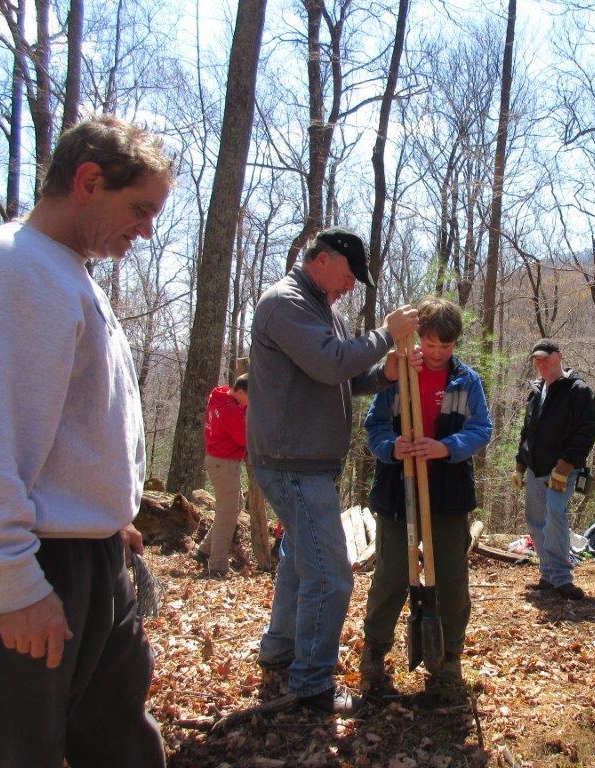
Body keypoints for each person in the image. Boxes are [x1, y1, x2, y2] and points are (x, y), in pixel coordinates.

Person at [0, 116, 173, 768]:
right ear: (88, 181)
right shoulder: (6, 270)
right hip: (38, 562)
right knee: (22, 751)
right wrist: (16, 580)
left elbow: (76, 426)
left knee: (119, 741)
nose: (147, 228)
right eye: (140, 208)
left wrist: (112, 520)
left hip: (92, 555)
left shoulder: (62, 271)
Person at [248, 226, 420, 717]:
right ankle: (312, 683)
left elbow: (341, 376)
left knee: (299, 564)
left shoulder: (320, 308)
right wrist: (386, 332)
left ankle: (280, 651)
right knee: (331, 576)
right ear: (321, 260)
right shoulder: (287, 303)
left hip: (303, 460)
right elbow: (329, 364)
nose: (349, 285)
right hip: (292, 462)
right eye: (347, 275)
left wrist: (383, 373)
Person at [360, 296, 492, 703]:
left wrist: (446, 447)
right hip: (398, 491)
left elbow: (481, 429)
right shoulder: (399, 373)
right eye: (431, 344)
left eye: (446, 346)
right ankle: (375, 654)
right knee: (392, 573)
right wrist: (391, 446)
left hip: (448, 493)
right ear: (420, 337)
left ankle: (448, 658)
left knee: (451, 578)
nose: (436, 353)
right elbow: (374, 427)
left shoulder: (466, 381)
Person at [514, 339, 595, 600]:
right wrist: (520, 465)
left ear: (559, 357)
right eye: (536, 360)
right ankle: (548, 574)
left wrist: (566, 465)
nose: (540, 363)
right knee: (535, 519)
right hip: (535, 468)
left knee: (554, 515)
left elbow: (585, 432)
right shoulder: (536, 391)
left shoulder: (578, 391)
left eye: (545, 358)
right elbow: (527, 431)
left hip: (562, 469)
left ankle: (562, 578)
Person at [194, 373, 249, 577]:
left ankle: (205, 550)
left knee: (232, 508)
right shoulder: (229, 410)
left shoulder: (220, 397)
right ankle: (217, 564)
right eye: (249, 398)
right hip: (224, 463)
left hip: (218, 462)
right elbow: (244, 438)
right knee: (228, 513)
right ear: (241, 392)